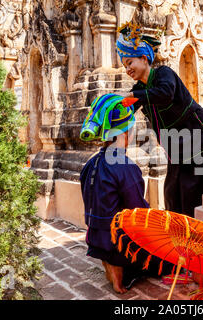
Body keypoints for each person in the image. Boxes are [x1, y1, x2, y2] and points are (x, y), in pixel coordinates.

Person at [115, 22, 203, 218]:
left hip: (198, 138)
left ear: (144, 58)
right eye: (125, 66)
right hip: (175, 146)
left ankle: (200, 237)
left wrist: (134, 98)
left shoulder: (164, 73)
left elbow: (165, 94)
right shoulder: (139, 89)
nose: (127, 69)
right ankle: (179, 234)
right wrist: (110, 109)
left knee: (196, 192)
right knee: (172, 193)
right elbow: (127, 110)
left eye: (130, 62)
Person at [79, 93, 173, 294]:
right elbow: (137, 212)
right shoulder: (125, 166)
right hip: (117, 243)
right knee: (167, 261)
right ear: (126, 133)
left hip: (95, 238)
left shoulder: (90, 164)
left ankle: (109, 260)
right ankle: (121, 268)